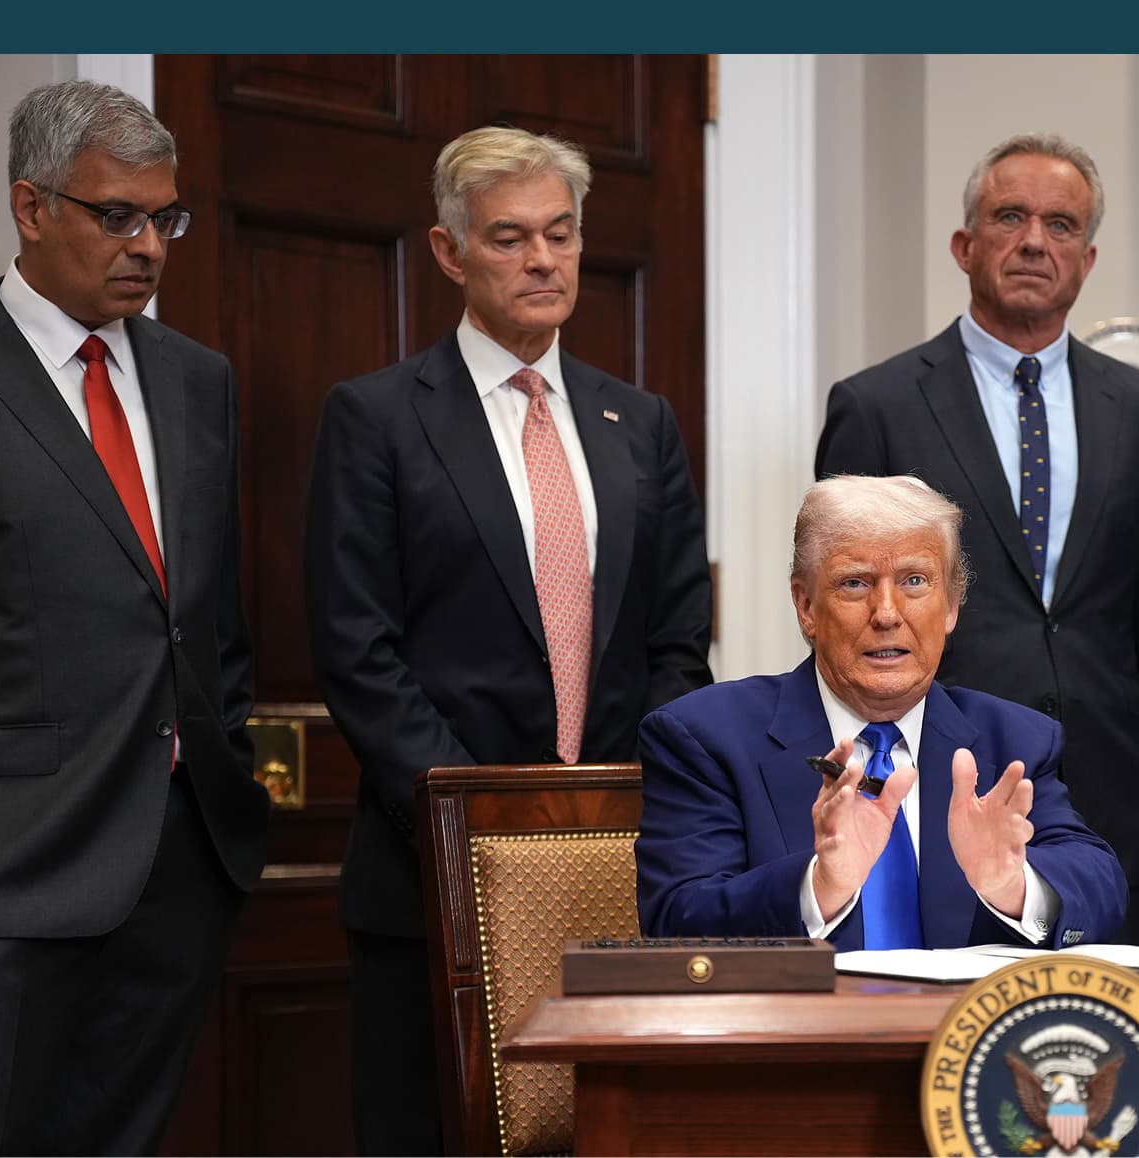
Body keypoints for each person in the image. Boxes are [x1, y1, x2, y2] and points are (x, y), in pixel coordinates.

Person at [304, 126, 713, 1153]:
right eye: (509, 238)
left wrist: (625, 804)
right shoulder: (378, 419)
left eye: (561, 236)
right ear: (450, 254)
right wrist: (480, 821)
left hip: (617, 876)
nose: (543, 261)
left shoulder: (641, 424)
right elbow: (358, 648)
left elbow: (678, 640)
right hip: (429, 885)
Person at [0, 79, 268, 1153]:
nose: (150, 246)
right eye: (116, 215)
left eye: (166, 218)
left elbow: (212, 626)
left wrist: (227, 770)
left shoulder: (196, 380)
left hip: (174, 873)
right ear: (30, 209)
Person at [815, 133, 1139, 944]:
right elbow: (844, 618)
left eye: (1061, 224)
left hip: (1113, 803)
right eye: (1011, 217)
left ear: (1089, 256)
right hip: (935, 792)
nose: (1036, 241)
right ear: (965, 247)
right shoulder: (879, 406)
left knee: (1110, 1048)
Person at [637, 476, 1126, 950]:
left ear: (952, 606)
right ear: (806, 606)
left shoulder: (1014, 739)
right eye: (855, 583)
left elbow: (1100, 888)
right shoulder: (708, 737)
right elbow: (677, 919)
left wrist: (1011, 884)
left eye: (915, 581)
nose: (887, 613)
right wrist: (819, 886)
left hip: (963, 1028)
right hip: (804, 1030)